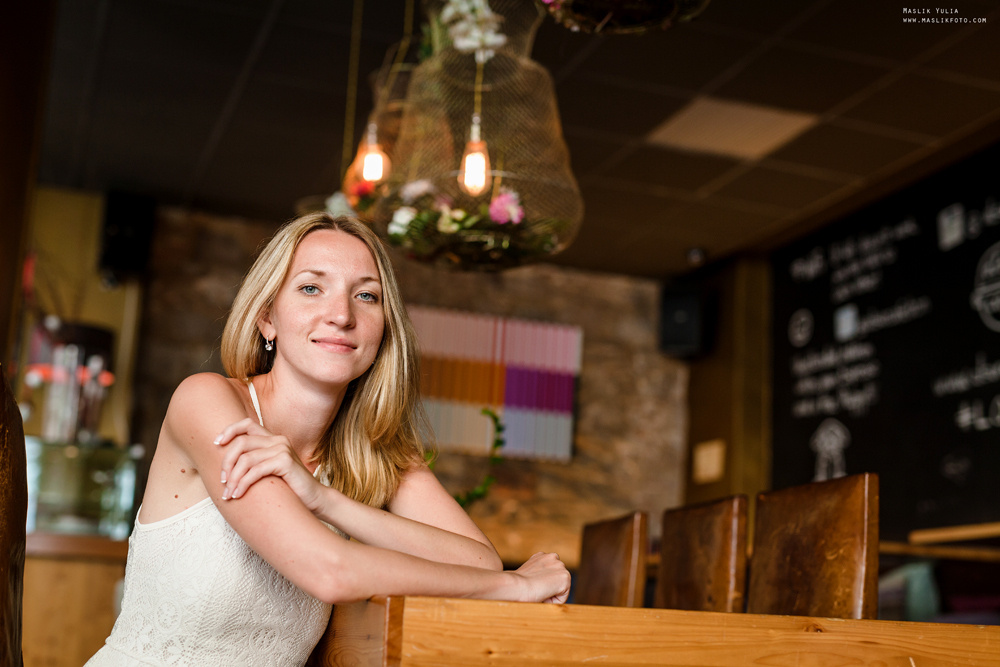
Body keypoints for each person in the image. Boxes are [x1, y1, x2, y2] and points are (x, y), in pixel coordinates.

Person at [86, 213, 570, 666]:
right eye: (312, 288)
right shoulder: (206, 401)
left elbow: (478, 560)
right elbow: (329, 571)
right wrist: (517, 588)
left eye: (366, 296)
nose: (340, 315)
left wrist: (324, 498)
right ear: (267, 318)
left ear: (384, 329)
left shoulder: (374, 454)